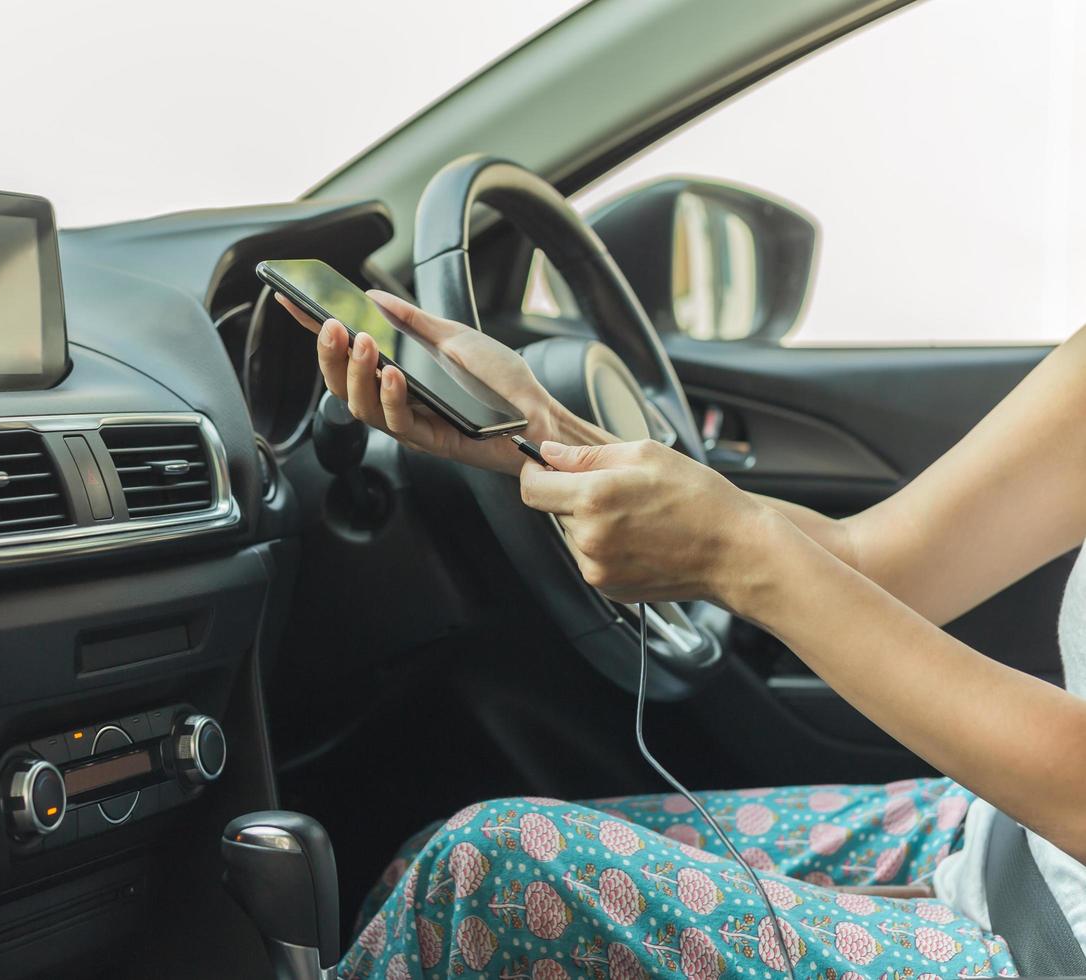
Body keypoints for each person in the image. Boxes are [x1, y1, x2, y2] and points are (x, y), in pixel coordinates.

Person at [278, 289, 1086, 978]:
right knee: (422, 863)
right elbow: (879, 559)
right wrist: (540, 429)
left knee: (481, 878)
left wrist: (737, 556)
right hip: (1003, 839)